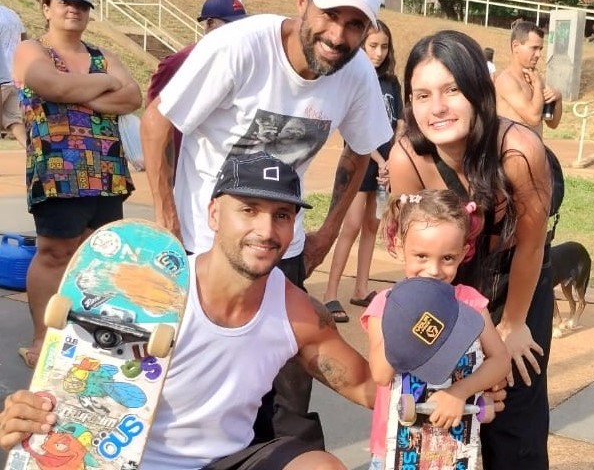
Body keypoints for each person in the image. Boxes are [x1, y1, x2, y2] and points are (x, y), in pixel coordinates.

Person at [140, 0, 393, 449]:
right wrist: (167, 222)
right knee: (178, 375)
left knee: (288, 392)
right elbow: (157, 120)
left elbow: (360, 152)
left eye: (355, 24)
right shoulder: (238, 47)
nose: (339, 36)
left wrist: (324, 235)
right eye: (329, 16)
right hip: (201, 240)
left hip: (281, 243)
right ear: (302, 2)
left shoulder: (357, 73)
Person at [0, 152, 376, 470]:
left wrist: (432, 394)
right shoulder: (148, 292)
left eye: (281, 215)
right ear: (214, 214)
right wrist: (28, 413)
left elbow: (365, 386)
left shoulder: (298, 312)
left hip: (229, 461)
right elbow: (74, 387)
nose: (266, 230)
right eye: (249, 209)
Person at [387, 29, 554, 469]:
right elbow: (416, 260)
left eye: (451, 90)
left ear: (479, 91)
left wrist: (512, 325)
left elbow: (531, 247)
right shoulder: (407, 158)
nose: (437, 108)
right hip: (448, 283)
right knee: (439, 413)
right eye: (421, 95)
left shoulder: (518, 151)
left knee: (513, 415)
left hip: (514, 280)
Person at [13, 0, 141, 369]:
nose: (73, 9)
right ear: (47, 7)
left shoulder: (101, 52)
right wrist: (102, 85)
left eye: (82, 4)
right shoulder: (30, 49)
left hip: (105, 173)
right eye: (65, 1)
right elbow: (51, 86)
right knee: (54, 254)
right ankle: (43, 336)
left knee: (97, 259)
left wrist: (77, 91)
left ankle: (87, 335)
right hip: (57, 172)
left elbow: (133, 96)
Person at [362, 189, 509, 468]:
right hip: (396, 447)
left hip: (451, 447)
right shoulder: (385, 304)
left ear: (464, 252)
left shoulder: (469, 303)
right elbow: (381, 374)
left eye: (447, 258)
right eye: (421, 256)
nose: (434, 270)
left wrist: (459, 392)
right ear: (398, 243)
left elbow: (500, 361)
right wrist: (410, 314)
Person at [322, 19, 403, 322]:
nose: (379, 52)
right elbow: (354, 129)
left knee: (372, 224)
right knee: (352, 225)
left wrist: (392, 162)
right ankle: (330, 293)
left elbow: (400, 123)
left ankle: (361, 289)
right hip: (361, 165)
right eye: (373, 46)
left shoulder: (391, 82)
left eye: (384, 46)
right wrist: (380, 162)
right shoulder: (355, 79)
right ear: (361, 46)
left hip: (385, 169)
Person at [145, 0, 248, 167]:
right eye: (231, 25)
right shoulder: (181, 61)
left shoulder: (241, 59)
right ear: (209, 24)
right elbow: (154, 110)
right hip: (185, 159)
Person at [494, 20, 563, 135]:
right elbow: (534, 118)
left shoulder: (535, 79)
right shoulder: (507, 80)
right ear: (515, 46)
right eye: (534, 48)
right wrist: (538, 87)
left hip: (536, 150)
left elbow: (552, 123)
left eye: (540, 49)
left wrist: (558, 99)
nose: (538, 54)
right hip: (514, 151)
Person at [0, 4, 26, 146]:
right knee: (14, 120)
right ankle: (33, 154)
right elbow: (25, 40)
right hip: (14, 77)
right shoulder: (12, 14)